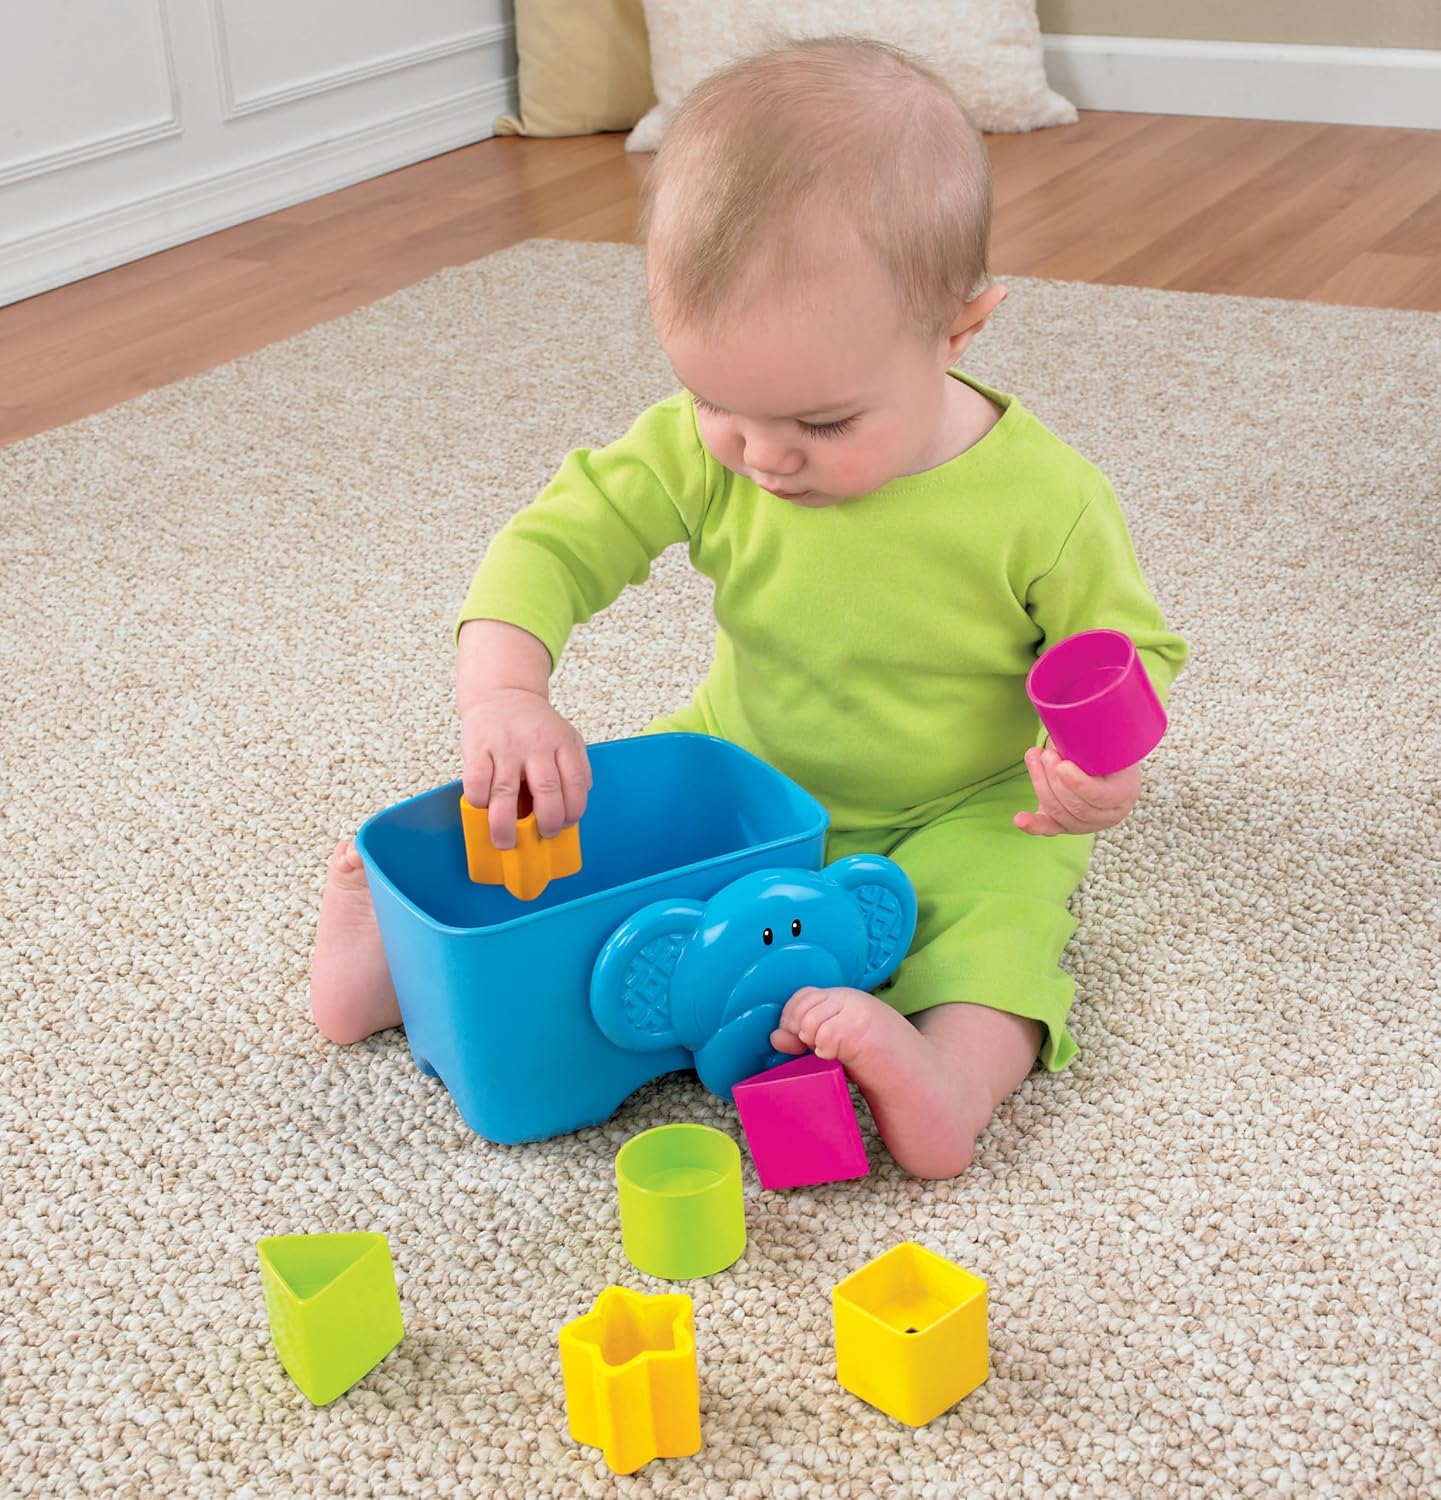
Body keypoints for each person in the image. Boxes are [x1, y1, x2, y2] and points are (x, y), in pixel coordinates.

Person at [310, 36, 1188, 1178]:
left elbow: (1124, 658)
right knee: (569, 830)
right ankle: (396, 972)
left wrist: (1097, 774)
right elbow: (554, 541)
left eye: (821, 424)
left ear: (960, 330)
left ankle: (948, 1082)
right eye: (715, 401)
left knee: (998, 936)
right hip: (742, 768)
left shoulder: (1043, 499)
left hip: (963, 808)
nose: (762, 456)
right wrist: (507, 694)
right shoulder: (707, 444)